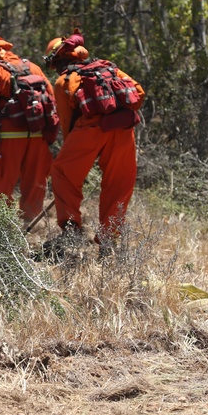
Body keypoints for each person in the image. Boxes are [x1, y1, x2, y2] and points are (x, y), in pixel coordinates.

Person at [43, 29, 146, 258]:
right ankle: (108, 243)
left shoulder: (64, 81)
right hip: (123, 127)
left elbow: (68, 126)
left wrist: (81, 154)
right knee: (118, 184)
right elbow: (139, 92)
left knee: (62, 173)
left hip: (88, 130)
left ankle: (71, 233)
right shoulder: (112, 69)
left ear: (56, 61)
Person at [0, 36, 58, 223]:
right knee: (35, 184)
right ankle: (31, 226)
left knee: (0, 185)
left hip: (9, 136)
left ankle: (0, 229)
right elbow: (52, 96)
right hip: (38, 135)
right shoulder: (34, 67)